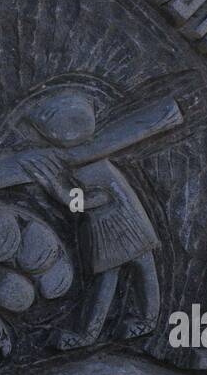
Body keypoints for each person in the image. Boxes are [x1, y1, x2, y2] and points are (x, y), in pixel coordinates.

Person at [18, 90, 162, 349]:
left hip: (122, 223)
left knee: (138, 270)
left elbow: (98, 199)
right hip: (108, 226)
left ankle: (142, 321)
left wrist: (59, 192)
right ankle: (95, 332)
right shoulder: (86, 157)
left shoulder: (91, 162)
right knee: (114, 277)